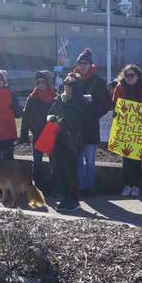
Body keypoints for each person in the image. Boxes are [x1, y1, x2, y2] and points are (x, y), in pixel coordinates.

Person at [112, 64, 142, 197]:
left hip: (139, 129)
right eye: (126, 75)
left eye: (132, 75)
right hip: (125, 128)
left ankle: (136, 185)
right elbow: (115, 103)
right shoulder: (120, 86)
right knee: (125, 159)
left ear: (138, 75)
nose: (129, 78)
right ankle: (127, 185)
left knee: (137, 158)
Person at [73, 48, 111, 196]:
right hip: (76, 126)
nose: (82, 65)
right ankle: (81, 186)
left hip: (90, 126)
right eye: (80, 63)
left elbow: (107, 103)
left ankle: (90, 187)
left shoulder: (98, 82)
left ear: (90, 64)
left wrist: (93, 107)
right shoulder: (72, 80)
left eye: (85, 63)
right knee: (77, 161)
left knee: (90, 160)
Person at [47, 73, 87, 212]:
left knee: (70, 171)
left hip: (72, 141)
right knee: (60, 170)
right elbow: (51, 112)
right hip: (58, 139)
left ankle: (74, 200)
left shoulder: (80, 101)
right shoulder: (60, 99)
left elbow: (74, 120)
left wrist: (64, 104)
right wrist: (50, 117)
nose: (66, 87)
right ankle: (64, 198)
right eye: (65, 84)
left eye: (70, 85)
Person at [19, 71, 56, 192]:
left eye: (43, 82)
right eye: (38, 82)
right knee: (37, 161)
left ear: (48, 83)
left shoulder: (55, 96)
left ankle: (54, 187)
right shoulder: (32, 97)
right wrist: (23, 134)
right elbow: (26, 116)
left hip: (51, 133)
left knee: (54, 162)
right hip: (37, 133)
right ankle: (38, 187)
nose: (40, 84)